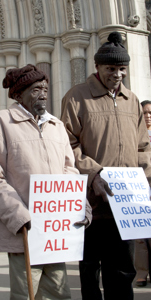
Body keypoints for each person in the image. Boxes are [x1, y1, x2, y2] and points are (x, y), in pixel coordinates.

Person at [0, 64, 91, 300]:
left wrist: (79, 205)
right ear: (19, 94)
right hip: (24, 233)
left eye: (46, 89)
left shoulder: (57, 126)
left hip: (54, 231)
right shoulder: (1, 123)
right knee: (26, 294)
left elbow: (70, 171)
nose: (44, 94)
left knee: (59, 293)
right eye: (37, 89)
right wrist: (19, 217)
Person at [60, 31, 151, 300]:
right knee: (90, 272)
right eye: (111, 68)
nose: (118, 74)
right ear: (98, 67)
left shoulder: (132, 100)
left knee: (123, 272)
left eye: (122, 68)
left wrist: (146, 185)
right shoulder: (76, 97)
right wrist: (94, 174)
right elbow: (67, 145)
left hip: (125, 207)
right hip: (91, 204)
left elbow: (142, 148)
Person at [134, 101, 151, 287]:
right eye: (144, 113)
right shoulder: (136, 136)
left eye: (150, 112)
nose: (147, 116)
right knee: (140, 234)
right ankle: (141, 273)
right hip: (139, 188)